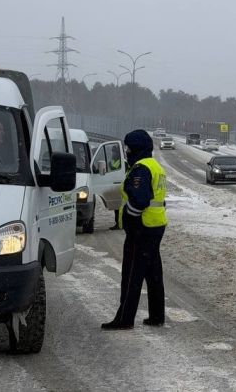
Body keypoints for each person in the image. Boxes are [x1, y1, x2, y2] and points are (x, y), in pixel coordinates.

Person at [102, 129, 168, 330]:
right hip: (156, 225)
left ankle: (124, 318)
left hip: (141, 228)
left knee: (132, 274)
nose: (126, 152)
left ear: (136, 149)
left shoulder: (140, 169)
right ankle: (156, 315)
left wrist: (130, 218)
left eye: (128, 148)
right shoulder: (155, 166)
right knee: (153, 272)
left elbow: (140, 200)